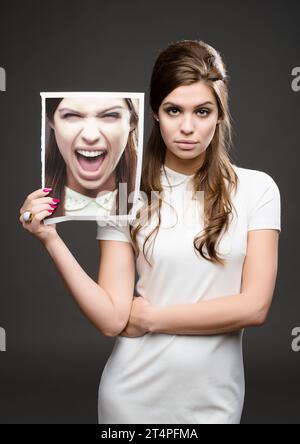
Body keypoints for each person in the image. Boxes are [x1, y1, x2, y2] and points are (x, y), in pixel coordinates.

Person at [19, 39, 281, 424]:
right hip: (132, 399)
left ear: (220, 115)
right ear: (155, 113)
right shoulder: (124, 191)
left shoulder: (258, 189)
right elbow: (111, 318)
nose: (187, 127)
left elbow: (254, 307)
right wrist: (50, 239)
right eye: (174, 110)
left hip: (215, 401)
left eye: (202, 111)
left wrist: (153, 319)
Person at [44, 96, 139, 219]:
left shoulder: (153, 199)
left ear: (132, 122)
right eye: (71, 115)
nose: (91, 136)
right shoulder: (29, 191)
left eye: (110, 115)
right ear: (51, 121)